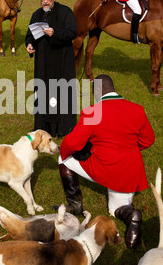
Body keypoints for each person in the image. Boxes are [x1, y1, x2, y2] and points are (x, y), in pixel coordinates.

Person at [57, 74, 155, 249]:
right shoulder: (137, 109)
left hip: (106, 167)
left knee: (63, 159)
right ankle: (131, 215)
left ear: (97, 92)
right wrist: (128, 149)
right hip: (132, 170)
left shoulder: (93, 112)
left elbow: (72, 143)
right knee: (118, 209)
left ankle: (75, 205)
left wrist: (64, 152)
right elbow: (148, 139)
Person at [25, 0, 77, 138]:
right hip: (43, 63)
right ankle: (43, 128)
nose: (45, 2)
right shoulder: (37, 15)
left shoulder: (65, 12)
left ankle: (63, 129)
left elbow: (72, 32)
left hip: (61, 61)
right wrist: (29, 45)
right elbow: (30, 35)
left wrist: (56, 33)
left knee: (61, 93)